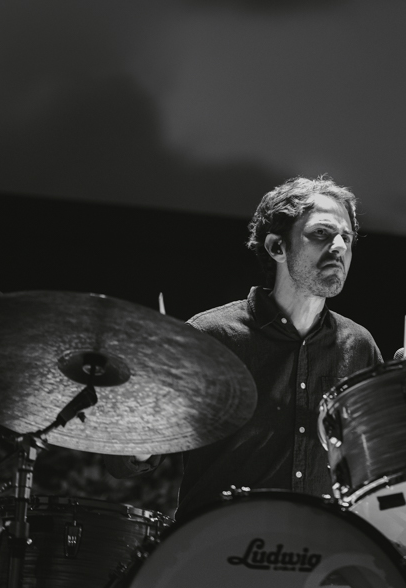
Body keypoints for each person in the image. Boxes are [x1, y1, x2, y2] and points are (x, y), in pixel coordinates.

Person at [107, 176, 382, 522]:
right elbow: (123, 463)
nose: (340, 247)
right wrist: (145, 427)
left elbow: (374, 465)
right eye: (322, 234)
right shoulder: (212, 335)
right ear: (276, 247)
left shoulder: (358, 345)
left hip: (318, 553)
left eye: (347, 237)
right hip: (219, 550)